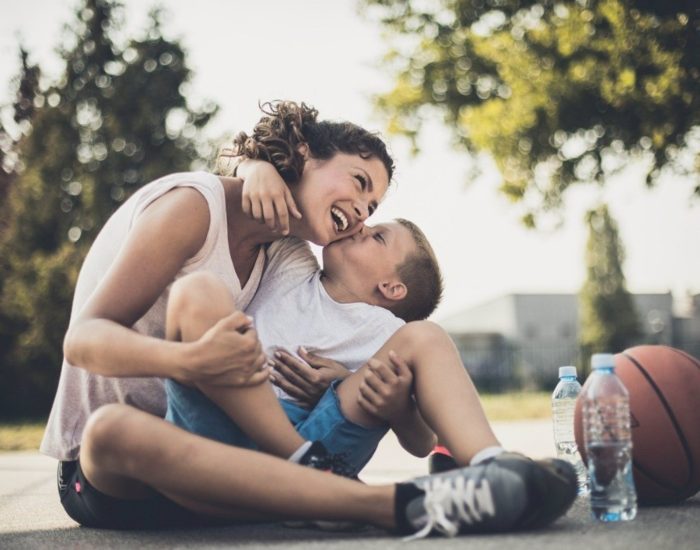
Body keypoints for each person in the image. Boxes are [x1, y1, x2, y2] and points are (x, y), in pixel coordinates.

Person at [41, 100, 575, 536]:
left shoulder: (291, 248)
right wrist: (190, 359)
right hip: (139, 474)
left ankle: (492, 470)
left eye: (373, 210)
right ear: (304, 153)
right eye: (361, 184)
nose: (363, 215)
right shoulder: (193, 207)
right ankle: (389, 503)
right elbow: (83, 338)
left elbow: (254, 169)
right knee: (111, 428)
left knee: (424, 338)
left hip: (246, 467)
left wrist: (364, 392)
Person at [165, 219, 504, 480]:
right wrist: (254, 168)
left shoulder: (391, 334)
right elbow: (284, 202)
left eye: (378, 236)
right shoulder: (293, 262)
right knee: (197, 289)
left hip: (319, 444)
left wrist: (394, 407)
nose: (360, 226)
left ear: (391, 287)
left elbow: (421, 443)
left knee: (428, 336)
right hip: (225, 423)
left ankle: (491, 464)